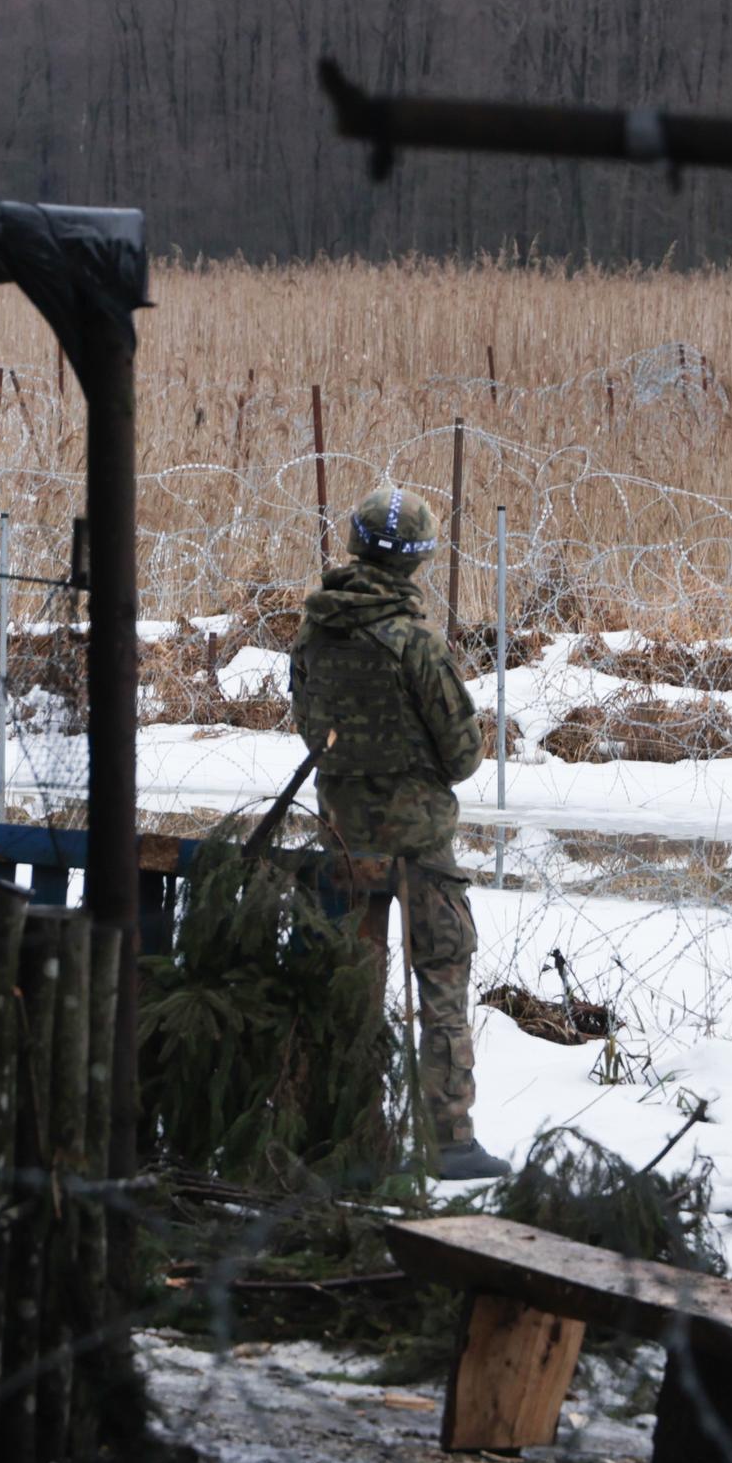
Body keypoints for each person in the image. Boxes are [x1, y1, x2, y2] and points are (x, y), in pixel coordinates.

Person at [289, 483, 501, 1182]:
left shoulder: (315, 633)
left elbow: (308, 726)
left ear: (354, 545)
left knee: (349, 987)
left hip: (344, 838)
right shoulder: (415, 642)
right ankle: (448, 1139)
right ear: (420, 558)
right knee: (441, 976)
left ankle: (347, 1132)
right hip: (420, 846)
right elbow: (464, 753)